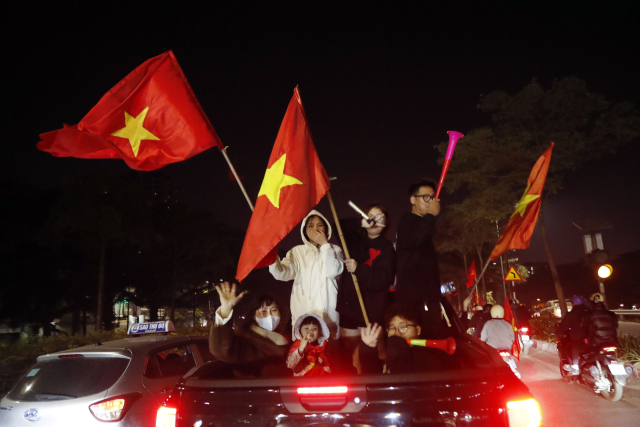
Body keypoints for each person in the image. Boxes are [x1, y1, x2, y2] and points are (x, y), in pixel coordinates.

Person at [336, 202, 396, 367]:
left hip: (371, 309)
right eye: (371, 217)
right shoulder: (354, 240)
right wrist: (358, 223)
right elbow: (337, 226)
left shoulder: (387, 248)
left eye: (379, 217)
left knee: (373, 351)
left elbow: (382, 280)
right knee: (349, 351)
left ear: (386, 223)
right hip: (349, 305)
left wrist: (358, 269)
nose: (374, 221)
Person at [270, 210, 344, 339]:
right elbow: (281, 274)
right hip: (303, 317)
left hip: (328, 316)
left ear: (326, 228)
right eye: (310, 225)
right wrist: (273, 258)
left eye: (320, 225)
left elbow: (333, 272)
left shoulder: (335, 249)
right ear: (304, 229)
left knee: (329, 356)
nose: (315, 228)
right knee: (301, 353)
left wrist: (325, 245)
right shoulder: (297, 251)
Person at [209, 282, 291, 378]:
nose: (269, 315)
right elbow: (223, 351)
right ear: (253, 316)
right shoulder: (247, 339)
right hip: (260, 391)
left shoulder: (286, 336)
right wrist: (225, 310)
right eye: (263, 311)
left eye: (274, 310)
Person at [395, 179, 442, 334]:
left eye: (433, 197)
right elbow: (415, 238)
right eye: (426, 197)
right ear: (413, 200)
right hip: (412, 300)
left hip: (429, 298)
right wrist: (430, 215)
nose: (430, 201)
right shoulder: (406, 220)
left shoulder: (425, 225)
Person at [358, 303, 444, 374]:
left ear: (418, 330)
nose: (397, 333)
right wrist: (367, 349)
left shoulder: (430, 358)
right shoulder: (387, 356)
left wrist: (397, 350)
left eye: (403, 327)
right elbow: (372, 376)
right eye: (392, 328)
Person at [554, 295, 590, 375]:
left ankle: (575, 366)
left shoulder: (572, 313)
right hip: (593, 338)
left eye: (572, 303)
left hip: (579, 338)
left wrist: (557, 331)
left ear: (574, 303)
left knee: (567, 346)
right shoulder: (590, 312)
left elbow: (564, 326)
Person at [481, 305, 519, 378]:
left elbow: (483, 338)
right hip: (506, 350)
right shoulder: (508, 324)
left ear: (491, 313)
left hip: (493, 350)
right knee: (511, 361)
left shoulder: (488, 324)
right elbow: (513, 338)